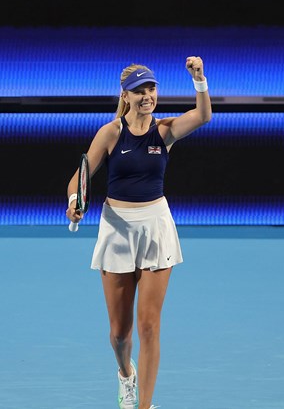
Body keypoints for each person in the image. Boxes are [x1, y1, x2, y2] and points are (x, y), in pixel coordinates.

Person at [66, 57, 211, 409]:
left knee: (149, 327)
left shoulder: (165, 131)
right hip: (116, 229)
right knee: (120, 334)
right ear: (125, 96)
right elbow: (81, 175)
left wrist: (199, 80)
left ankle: (144, 405)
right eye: (139, 91)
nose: (147, 96)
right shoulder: (110, 133)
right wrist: (74, 200)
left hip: (157, 228)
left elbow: (203, 116)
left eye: (151, 89)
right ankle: (125, 375)